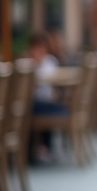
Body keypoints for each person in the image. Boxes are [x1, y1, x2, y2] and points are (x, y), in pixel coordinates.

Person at [26, 34, 67, 163]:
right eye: (36, 48)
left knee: (44, 107)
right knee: (30, 109)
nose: (39, 51)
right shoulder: (26, 64)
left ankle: (44, 147)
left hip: (43, 101)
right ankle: (33, 150)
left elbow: (52, 83)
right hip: (30, 102)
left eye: (42, 48)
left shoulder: (50, 62)